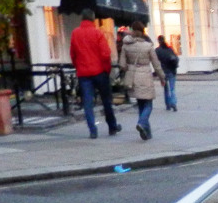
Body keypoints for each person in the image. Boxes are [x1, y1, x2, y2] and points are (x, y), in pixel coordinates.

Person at [69, 9, 121, 139]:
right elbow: (105, 54)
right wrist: (107, 69)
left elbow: (73, 54)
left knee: (87, 102)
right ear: (93, 19)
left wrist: (78, 66)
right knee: (106, 100)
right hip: (99, 71)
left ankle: (92, 129)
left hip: (83, 73)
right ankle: (112, 126)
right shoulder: (97, 33)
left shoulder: (75, 33)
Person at [119, 20, 165, 140]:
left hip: (133, 77)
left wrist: (129, 67)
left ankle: (146, 133)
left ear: (132, 31)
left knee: (140, 104)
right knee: (148, 103)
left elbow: (122, 64)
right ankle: (142, 122)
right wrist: (162, 77)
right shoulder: (148, 46)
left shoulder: (126, 46)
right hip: (145, 76)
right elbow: (156, 64)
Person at [155, 35, 179, 111]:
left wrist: (156, 72)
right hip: (171, 71)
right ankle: (173, 103)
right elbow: (176, 58)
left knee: (166, 89)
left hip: (163, 72)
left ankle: (168, 105)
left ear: (158, 41)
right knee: (172, 89)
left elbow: (156, 62)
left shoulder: (157, 50)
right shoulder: (170, 49)